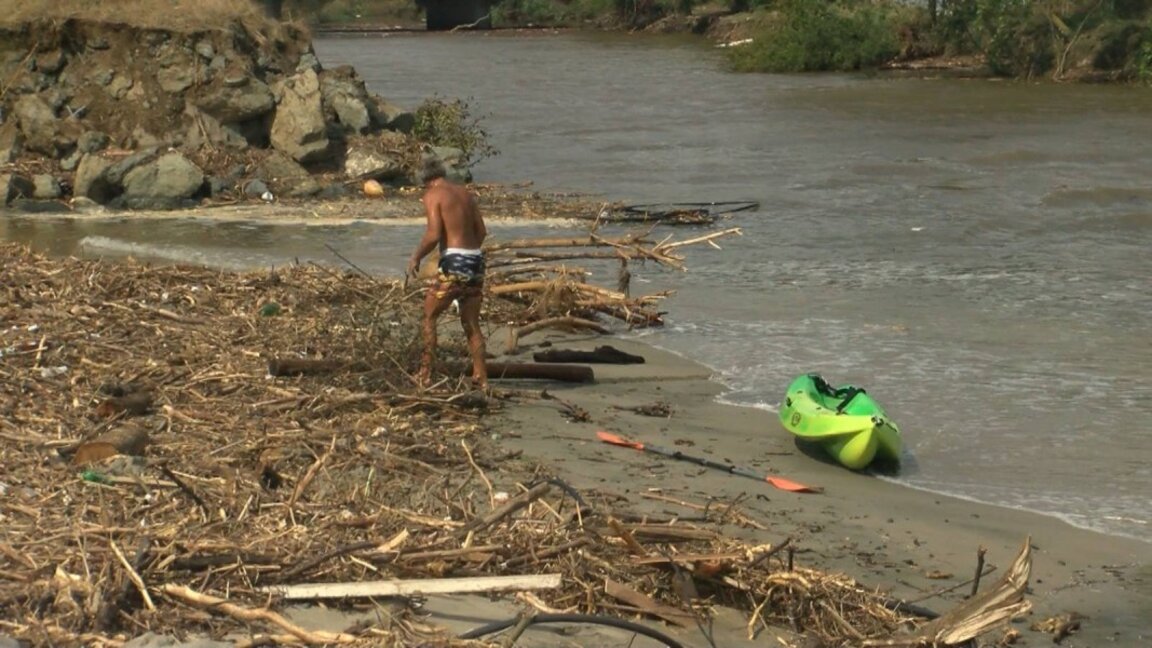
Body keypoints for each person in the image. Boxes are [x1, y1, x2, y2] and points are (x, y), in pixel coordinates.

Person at [406, 158, 488, 389]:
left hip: (454, 260)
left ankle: (425, 374)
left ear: (425, 180)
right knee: (471, 323)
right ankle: (481, 377)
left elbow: (433, 234)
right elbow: (481, 231)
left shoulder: (433, 195)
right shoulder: (465, 194)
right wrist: (468, 255)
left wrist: (416, 257)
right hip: (476, 260)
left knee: (429, 316)